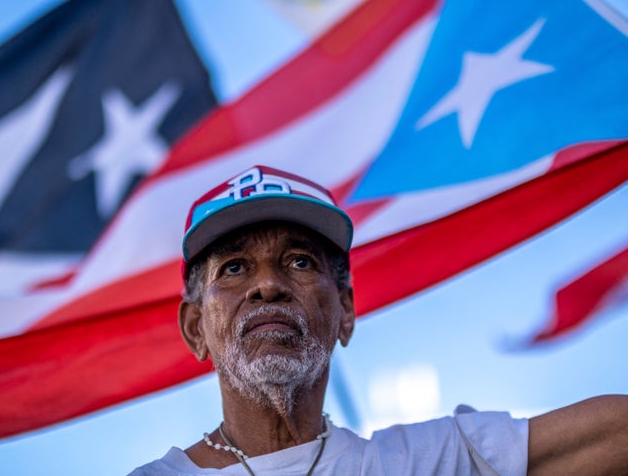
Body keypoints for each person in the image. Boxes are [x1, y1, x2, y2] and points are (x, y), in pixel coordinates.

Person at [129, 165, 628, 475]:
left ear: (345, 311)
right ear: (195, 328)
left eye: (300, 261)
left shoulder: (433, 461)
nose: (267, 286)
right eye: (234, 268)